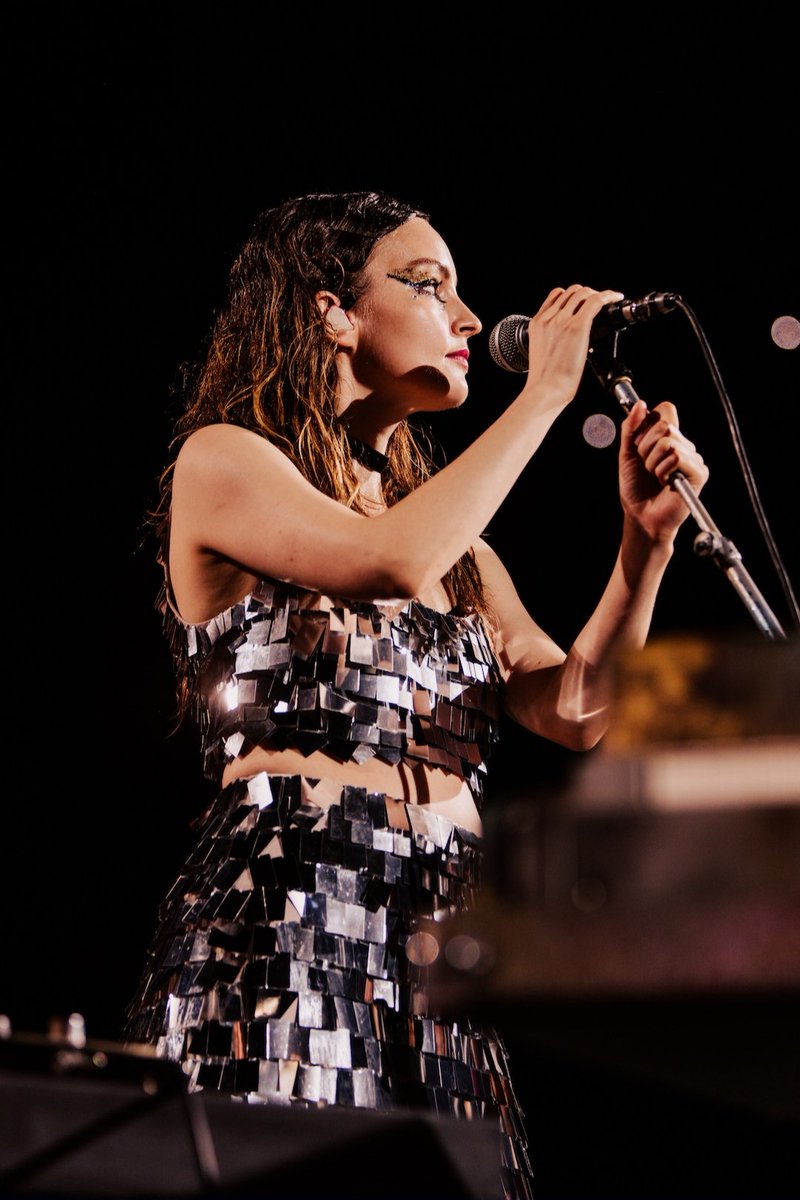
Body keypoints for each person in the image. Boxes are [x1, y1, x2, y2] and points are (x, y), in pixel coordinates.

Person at [123, 190, 708, 1199]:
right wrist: (544, 396)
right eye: (430, 287)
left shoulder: (455, 545)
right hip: (293, 919)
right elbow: (385, 562)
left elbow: (574, 711)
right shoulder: (223, 462)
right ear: (330, 313)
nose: (470, 321)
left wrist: (641, 550)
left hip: (439, 941)